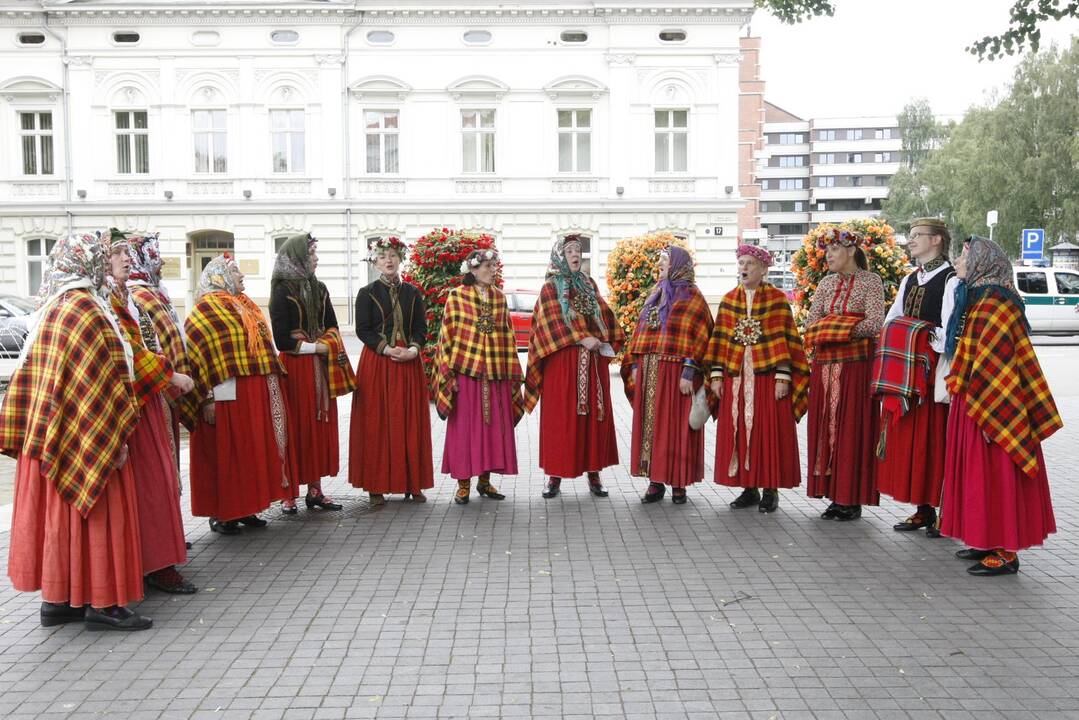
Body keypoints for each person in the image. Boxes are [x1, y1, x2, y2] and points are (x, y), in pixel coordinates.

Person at [1, 232, 151, 630]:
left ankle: (60, 600)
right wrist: (111, 437)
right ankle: (103, 603)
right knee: (99, 517)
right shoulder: (84, 307)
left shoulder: (57, 305)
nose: (106, 264)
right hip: (83, 433)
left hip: (53, 436)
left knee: (62, 522)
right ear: (83, 263)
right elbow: (97, 381)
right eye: (101, 258)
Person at [940, 236, 1060, 576]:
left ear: (982, 263)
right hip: (976, 399)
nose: (959, 264)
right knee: (981, 475)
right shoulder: (979, 300)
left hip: (993, 404)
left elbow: (999, 368)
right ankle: (987, 540)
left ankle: (1006, 552)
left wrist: (988, 406)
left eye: (964, 258)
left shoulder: (994, 305)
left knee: (997, 472)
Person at [107, 232, 197, 595]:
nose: (128, 260)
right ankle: (155, 565)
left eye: (130, 254)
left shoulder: (127, 296)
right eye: (118, 255)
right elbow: (128, 351)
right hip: (132, 404)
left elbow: (148, 342)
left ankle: (155, 560)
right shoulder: (109, 301)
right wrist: (170, 374)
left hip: (148, 400)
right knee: (151, 486)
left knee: (158, 483)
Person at [185, 254, 291, 534]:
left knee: (249, 452)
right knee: (228, 455)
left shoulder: (245, 305)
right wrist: (206, 397)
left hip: (251, 393)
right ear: (218, 276)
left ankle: (248, 508)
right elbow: (197, 356)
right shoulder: (205, 310)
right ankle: (224, 513)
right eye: (234, 271)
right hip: (225, 394)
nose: (241, 275)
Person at [706, 244, 809, 513]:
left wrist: (784, 376)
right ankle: (748, 489)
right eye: (741, 262)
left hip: (768, 377)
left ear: (764, 269)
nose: (744, 268)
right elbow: (719, 341)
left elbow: (787, 339)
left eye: (750, 263)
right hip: (736, 377)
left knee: (767, 432)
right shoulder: (729, 300)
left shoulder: (776, 299)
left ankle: (769, 489)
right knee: (738, 429)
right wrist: (716, 376)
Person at [875, 218, 959, 537]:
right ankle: (923, 509)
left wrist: (916, 334)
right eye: (909, 236)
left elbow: (949, 331)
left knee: (935, 440)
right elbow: (892, 319)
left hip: (932, 372)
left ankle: (943, 510)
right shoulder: (911, 278)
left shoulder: (950, 280)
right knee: (914, 441)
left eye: (916, 236)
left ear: (936, 239)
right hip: (906, 373)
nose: (910, 241)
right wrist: (903, 334)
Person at [524, 235, 623, 499]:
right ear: (559, 256)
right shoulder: (550, 288)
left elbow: (604, 317)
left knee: (593, 419)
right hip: (562, 367)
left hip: (591, 366)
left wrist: (602, 337)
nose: (576, 254)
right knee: (561, 421)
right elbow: (549, 323)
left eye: (579, 250)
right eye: (569, 251)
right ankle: (554, 477)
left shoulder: (589, 285)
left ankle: (594, 474)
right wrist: (581, 337)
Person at [804, 228, 885, 521]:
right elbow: (812, 324)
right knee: (825, 426)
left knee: (853, 429)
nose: (828, 256)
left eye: (834, 250)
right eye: (826, 251)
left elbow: (875, 322)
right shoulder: (826, 284)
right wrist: (844, 326)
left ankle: (850, 497)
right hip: (825, 368)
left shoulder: (871, 282)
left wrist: (834, 327)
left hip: (856, 368)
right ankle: (832, 495)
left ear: (850, 250)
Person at [624, 245, 713, 505]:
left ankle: (678, 483)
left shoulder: (692, 296)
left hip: (677, 376)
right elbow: (642, 332)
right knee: (651, 428)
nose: (660, 266)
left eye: (664, 261)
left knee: (675, 428)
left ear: (677, 265)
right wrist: (637, 368)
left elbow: (700, 336)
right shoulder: (656, 294)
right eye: (660, 262)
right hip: (651, 372)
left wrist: (689, 370)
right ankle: (655, 481)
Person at [349, 236, 434, 506]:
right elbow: (363, 329)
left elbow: (421, 327)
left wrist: (413, 348)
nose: (389, 260)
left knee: (409, 421)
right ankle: (376, 485)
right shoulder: (367, 293)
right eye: (383, 256)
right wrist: (386, 349)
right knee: (377, 421)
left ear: (400, 260)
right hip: (378, 362)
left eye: (393, 255)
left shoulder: (412, 292)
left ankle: (413, 483)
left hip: (407, 364)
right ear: (375, 261)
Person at [435, 248, 523, 505]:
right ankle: (463, 484)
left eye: (494, 266)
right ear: (473, 270)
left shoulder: (498, 298)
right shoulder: (456, 296)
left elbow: (507, 335)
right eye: (487, 266)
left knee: (491, 429)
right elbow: (447, 335)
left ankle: (484, 482)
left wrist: (511, 371)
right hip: (466, 373)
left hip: (495, 373)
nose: (492, 270)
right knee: (465, 430)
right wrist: (447, 372)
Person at [269, 233, 347, 515]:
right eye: (311, 254)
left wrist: (325, 343)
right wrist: (317, 347)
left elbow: (333, 325)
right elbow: (282, 340)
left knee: (317, 427)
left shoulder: (320, 288)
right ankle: (288, 493)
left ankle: (315, 490)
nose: (316, 258)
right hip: (295, 370)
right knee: (294, 428)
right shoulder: (282, 291)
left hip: (319, 368)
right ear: (297, 258)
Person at [126, 232, 190, 470]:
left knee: (166, 459)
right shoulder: (137, 294)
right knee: (155, 463)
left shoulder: (155, 291)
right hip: (152, 387)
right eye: (154, 255)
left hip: (164, 384)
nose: (161, 262)